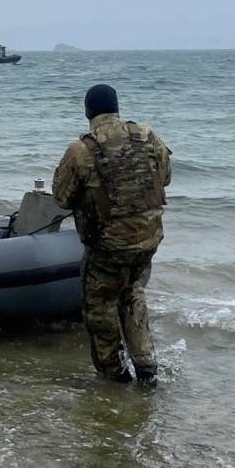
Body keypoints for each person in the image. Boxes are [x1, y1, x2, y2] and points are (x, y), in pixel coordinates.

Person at [51, 83, 173, 386]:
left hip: (110, 244)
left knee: (100, 301)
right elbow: (166, 176)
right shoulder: (147, 135)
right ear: (117, 107)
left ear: (88, 111)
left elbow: (62, 198)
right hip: (149, 238)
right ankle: (146, 364)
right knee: (132, 290)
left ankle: (114, 373)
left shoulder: (81, 149)